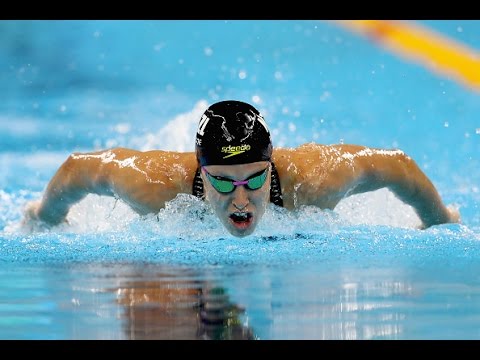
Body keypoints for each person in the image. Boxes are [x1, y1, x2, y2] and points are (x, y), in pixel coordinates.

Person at [23, 100, 460, 237]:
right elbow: (79, 168)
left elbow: (397, 167)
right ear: (201, 169)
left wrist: (438, 219)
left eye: (254, 179)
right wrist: (45, 215)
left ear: (271, 166)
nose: (240, 198)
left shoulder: (315, 180)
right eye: (223, 181)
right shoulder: (153, 186)